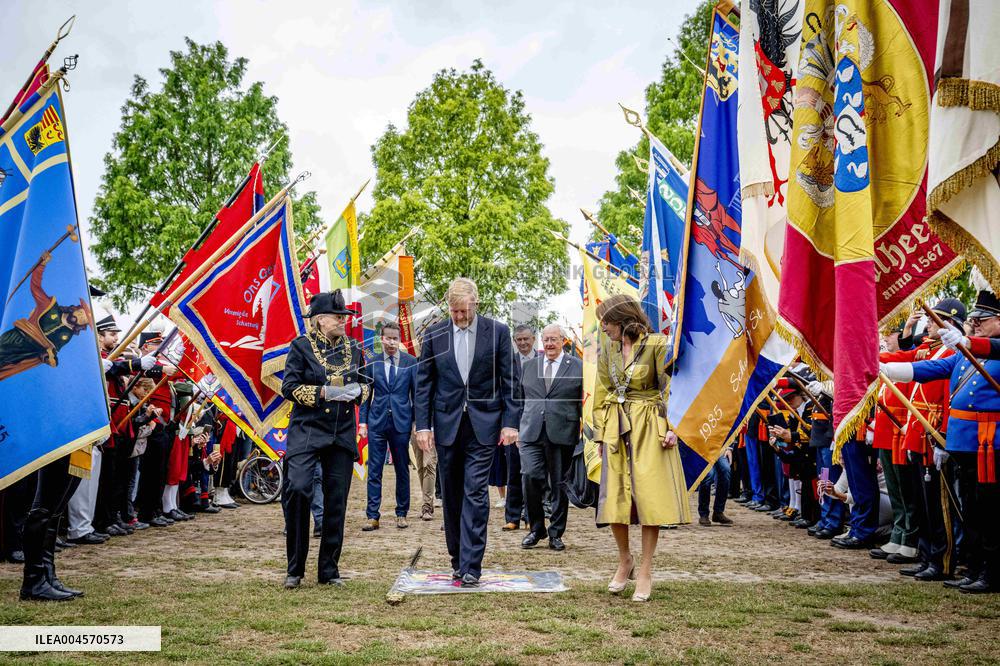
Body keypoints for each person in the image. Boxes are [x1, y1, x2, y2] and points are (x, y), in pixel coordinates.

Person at [882, 290, 1000, 594]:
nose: (974, 324)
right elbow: (933, 369)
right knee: (970, 510)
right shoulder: (962, 354)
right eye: (972, 320)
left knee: (989, 511)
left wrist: (968, 342)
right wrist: (888, 370)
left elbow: (984, 347)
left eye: (981, 320)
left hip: (990, 444)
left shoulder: (985, 348)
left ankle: (991, 570)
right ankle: (974, 567)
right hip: (964, 443)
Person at [414, 278, 520, 587]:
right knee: (452, 493)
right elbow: (424, 384)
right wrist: (423, 425)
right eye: (454, 311)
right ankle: (457, 559)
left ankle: (473, 564)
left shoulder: (498, 332)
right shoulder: (434, 334)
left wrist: (510, 422)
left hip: (483, 425)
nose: (459, 316)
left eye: (463, 310)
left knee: (475, 491)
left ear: (475, 303)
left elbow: (510, 379)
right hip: (447, 426)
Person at [591, 294, 689, 602]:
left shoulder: (657, 345)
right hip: (615, 426)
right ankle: (625, 560)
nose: (603, 327)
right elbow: (601, 388)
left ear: (621, 320)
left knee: (649, 498)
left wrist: (673, 427)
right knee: (614, 498)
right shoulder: (608, 347)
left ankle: (646, 569)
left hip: (650, 425)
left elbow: (673, 386)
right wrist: (599, 430)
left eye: (606, 322)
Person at [280, 290, 371, 589]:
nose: (343, 321)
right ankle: (295, 567)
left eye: (345, 316)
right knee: (298, 488)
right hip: (307, 428)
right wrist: (321, 393)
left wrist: (359, 392)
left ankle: (329, 570)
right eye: (337, 317)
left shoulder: (355, 349)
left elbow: (369, 385)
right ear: (320, 319)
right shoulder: (301, 346)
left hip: (341, 430)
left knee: (336, 500)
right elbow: (289, 387)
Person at [518, 324, 583, 551]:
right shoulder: (528, 366)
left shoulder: (578, 367)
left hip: (562, 433)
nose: (549, 344)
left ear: (563, 341)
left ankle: (556, 533)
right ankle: (536, 529)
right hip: (531, 431)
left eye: (554, 339)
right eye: (545, 340)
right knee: (530, 476)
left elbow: (583, 401)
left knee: (559, 484)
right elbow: (518, 399)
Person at [359, 322, 417, 530]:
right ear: (381, 339)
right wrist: (363, 422)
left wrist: (417, 423)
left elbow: (416, 395)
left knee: (402, 469)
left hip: (401, 422)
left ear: (400, 339)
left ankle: (402, 513)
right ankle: (372, 516)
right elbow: (366, 396)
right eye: (388, 338)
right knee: (374, 470)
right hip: (377, 422)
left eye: (395, 338)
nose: (391, 342)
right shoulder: (372, 363)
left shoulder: (411, 362)